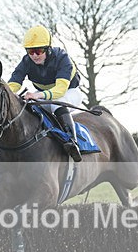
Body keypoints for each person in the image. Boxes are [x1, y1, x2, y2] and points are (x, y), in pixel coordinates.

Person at [7, 25, 83, 161]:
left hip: (69, 92)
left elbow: (60, 90)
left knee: (56, 104)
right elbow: (14, 84)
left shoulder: (62, 58)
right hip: (44, 94)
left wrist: (36, 95)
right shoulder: (26, 61)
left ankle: (72, 142)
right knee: (27, 107)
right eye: (30, 51)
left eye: (38, 51)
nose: (34, 56)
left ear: (48, 48)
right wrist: (3, 93)